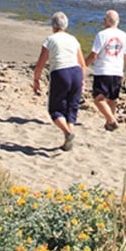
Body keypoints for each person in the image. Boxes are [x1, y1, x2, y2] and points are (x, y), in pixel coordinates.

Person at [32, 11, 86, 151]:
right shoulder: (73, 39)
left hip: (61, 72)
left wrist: (36, 79)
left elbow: (41, 62)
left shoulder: (51, 39)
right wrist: (83, 80)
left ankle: (67, 132)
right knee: (71, 107)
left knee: (55, 109)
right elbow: (82, 64)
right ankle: (68, 138)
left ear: (53, 25)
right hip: (76, 72)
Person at [86, 9, 126, 130]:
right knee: (112, 99)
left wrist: (83, 64)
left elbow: (94, 54)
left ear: (106, 21)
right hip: (117, 71)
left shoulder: (102, 34)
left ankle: (112, 120)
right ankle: (110, 123)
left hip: (104, 70)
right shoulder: (123, 35)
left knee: (98, 99)